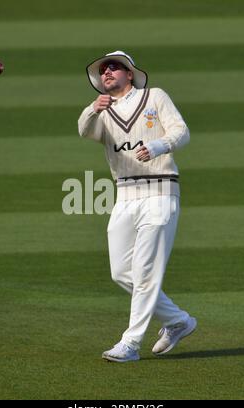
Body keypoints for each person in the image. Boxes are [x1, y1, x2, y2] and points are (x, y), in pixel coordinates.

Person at [78, 51, 197, 362]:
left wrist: (158, 146)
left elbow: (181, 131)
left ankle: (130, 344)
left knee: (145, 272)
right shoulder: (102, 112)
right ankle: (177, 320)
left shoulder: (154, 97)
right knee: (121, 272)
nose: (107, 72)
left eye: (114, 67)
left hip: (160, 190)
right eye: (103, 70)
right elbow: (84, 131)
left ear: (129, 74)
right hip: (125, 195)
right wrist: (93, 108)